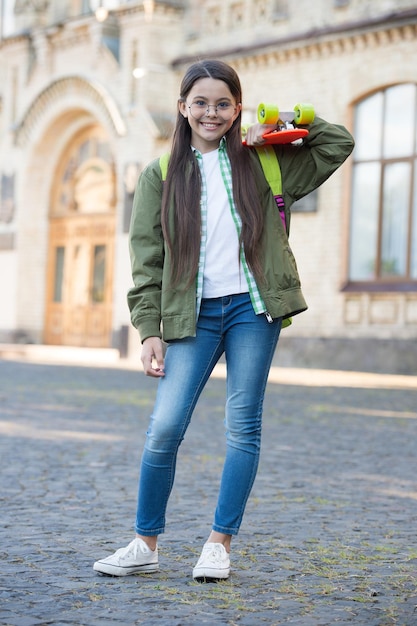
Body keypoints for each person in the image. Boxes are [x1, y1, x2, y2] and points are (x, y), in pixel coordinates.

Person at [93, 59, 354, 581]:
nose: (211, 112)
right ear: (183, 108)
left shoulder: (265, 160)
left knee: (242, 426)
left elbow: (337, 143)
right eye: (201, 102)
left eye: (223, 103)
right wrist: (148, 329)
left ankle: (219, 543)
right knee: (164, 428)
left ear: (238, 107)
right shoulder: (160, 175)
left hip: (253, 310)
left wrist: (279, 116)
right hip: (191, 315)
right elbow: (147, 260)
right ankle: (145, 542)